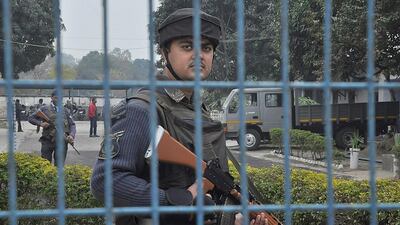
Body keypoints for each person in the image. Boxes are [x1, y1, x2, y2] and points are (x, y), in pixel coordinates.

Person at [90, 8, 268, 225]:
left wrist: (234, 218)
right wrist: (182, 201)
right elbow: (105, 181)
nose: (199, 55)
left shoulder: (198, 110)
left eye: (206, 48)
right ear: (165, 53)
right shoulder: (143, 108)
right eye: (187, 46)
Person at [28, 90, 76, 166]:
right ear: (51, 97)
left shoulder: (66, 110)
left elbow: (72, 124)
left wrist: (71, 135)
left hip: (62, 142)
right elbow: (31, 118)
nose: (58, 100)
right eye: (56, 98)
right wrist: (40, 124)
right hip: (47, 140)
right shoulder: (44, 109)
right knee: (45, 165)